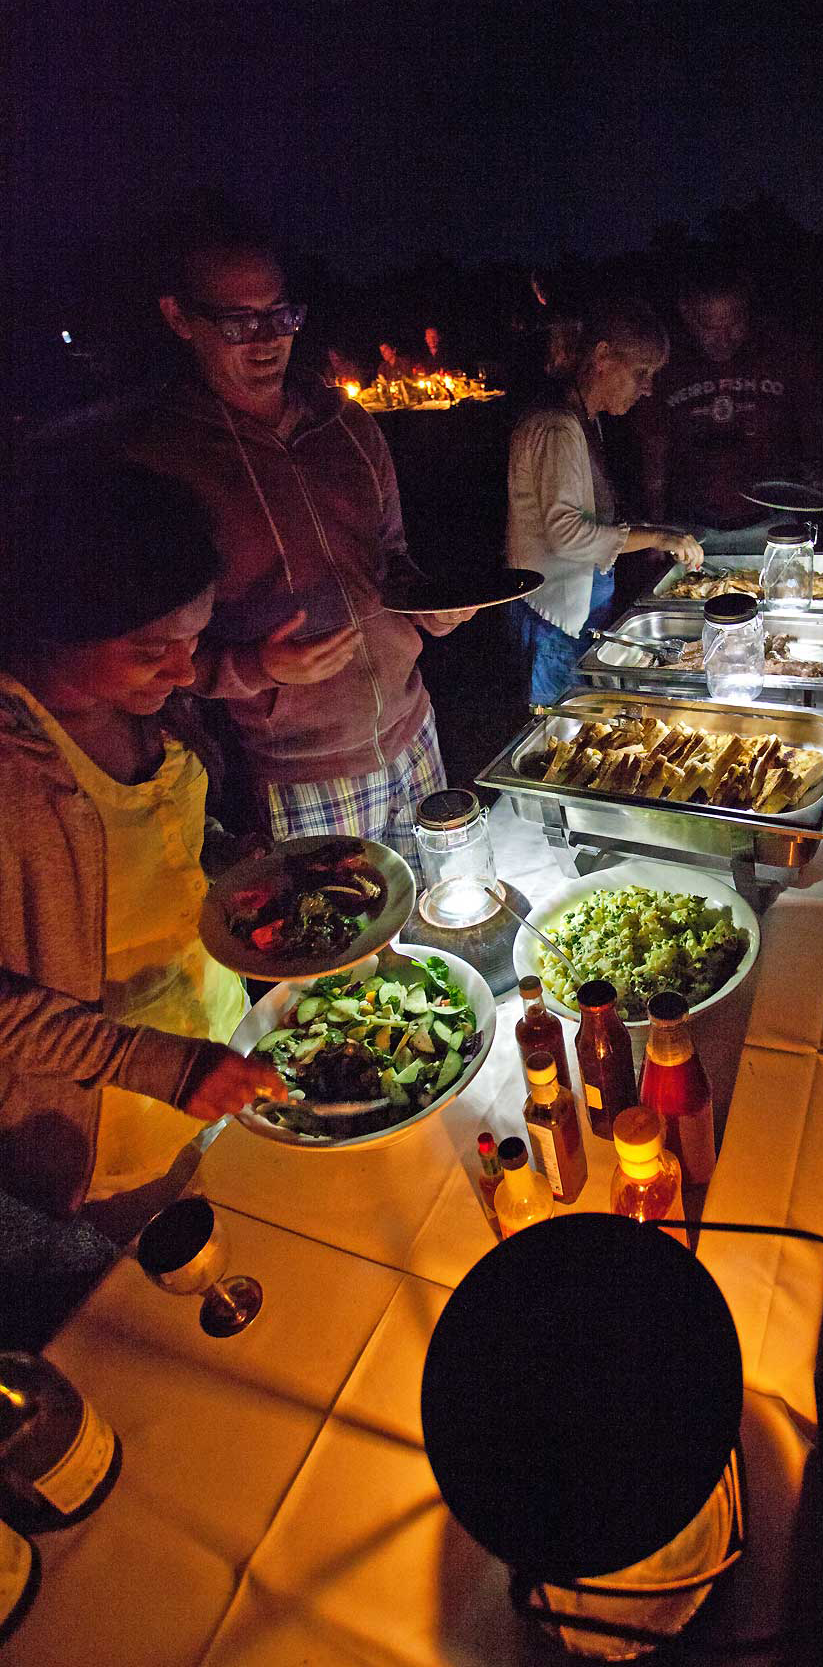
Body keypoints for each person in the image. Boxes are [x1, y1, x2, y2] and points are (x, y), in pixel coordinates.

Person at [122, 205, 475, 874]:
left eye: (280, 315)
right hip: (301, 774)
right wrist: (257, 668)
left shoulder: (346, 426)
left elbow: (391, 560)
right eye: (237, 321)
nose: (266, 339)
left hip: (413, 727)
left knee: (440, 915)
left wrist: (427, 606)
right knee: (341, 959)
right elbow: (145, 659)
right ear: (178, 317)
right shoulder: (164, 460)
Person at [0, 457, 286, 1219]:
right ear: (55, 625)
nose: (187, 669)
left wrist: (230, 861)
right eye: (151, 648)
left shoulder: (142, 706)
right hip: (109, 1129)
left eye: (195, 637)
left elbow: (153, 846)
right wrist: (154, 1064)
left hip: (224, 1047)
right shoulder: (14, 768)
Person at [506, 297, 702, 705]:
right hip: (553, 616)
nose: (647, 388)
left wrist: (658, 532)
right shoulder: (556, 426)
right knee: (563, 727)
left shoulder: (585, 418)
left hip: (578, 609)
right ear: (602, 356)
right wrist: (654, 538)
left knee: (587, 716)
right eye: (641, 372)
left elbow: (592, 515)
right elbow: (567, 536)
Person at [635, 260, 823, 550]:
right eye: (710, 328)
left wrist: (815, 474)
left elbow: (812, 420)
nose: (724, 339)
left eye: (734, 325)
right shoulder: (667, 363)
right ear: (687, 315)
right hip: (694, 525)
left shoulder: (778, 352)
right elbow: (653, 447)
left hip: (773, 520)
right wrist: (656, 518)